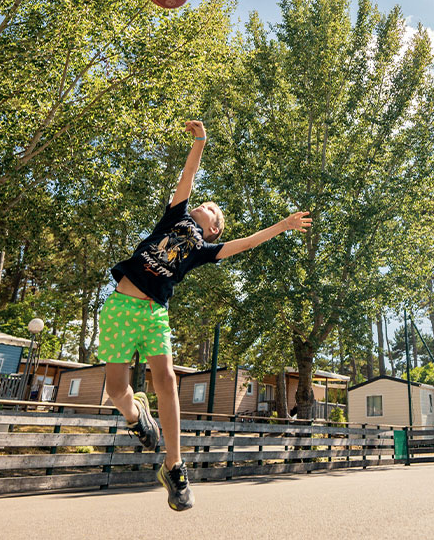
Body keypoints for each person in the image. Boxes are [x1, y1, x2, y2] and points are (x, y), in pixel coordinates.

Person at [100, 119, 310, 512]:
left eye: (213, 211)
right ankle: (136, 417)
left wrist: (282, 225)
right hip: (118, 307)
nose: (207, 205)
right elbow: (190, 174)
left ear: (212, 230)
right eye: (207, 204)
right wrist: (200, 140)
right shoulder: (174, 216)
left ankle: (175, 467)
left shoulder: (204, 250)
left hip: (152, 314)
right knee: (115, 390)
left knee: (165, 380)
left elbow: (247, 243)